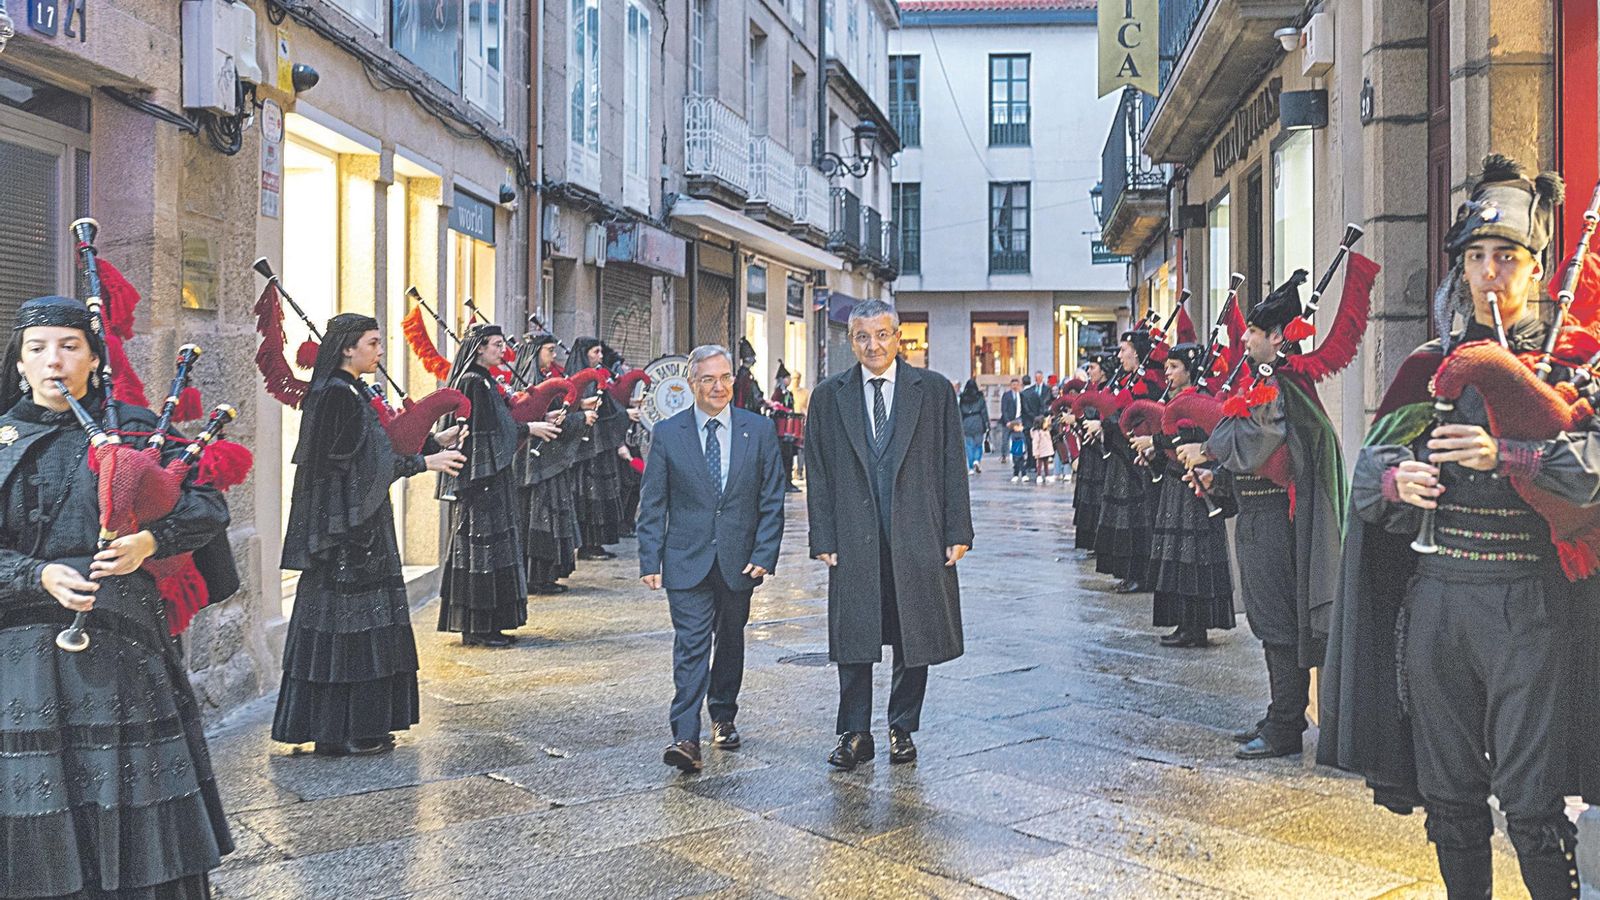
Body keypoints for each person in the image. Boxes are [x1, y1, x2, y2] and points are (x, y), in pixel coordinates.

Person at [1323, 154, 1598, 898]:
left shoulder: (1572, 369)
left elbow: (1592, 477)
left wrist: (1505, 450)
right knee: (1449, 801)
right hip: (1438, 600)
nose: (1487, 274)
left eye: (1504, 258)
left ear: (1536, 268)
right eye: (1474, 258)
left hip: (1529, 606)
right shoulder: (1427, 366)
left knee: (1534, 806)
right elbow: (1364, 481)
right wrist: (1393, 479)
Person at [0, 295, 235, 897]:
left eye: (69, 345)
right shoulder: (2, 439)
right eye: (38, 348)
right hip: (19, 662)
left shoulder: (134, 429)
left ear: (94, 358)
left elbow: (207, 505)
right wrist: (38, 576)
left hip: (124, 653)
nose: (54, 360)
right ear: (19, 364)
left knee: (129, 798)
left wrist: (149, 542)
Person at [1177, 271, 1349, 761]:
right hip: (1256, 514)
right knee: (1268, 619)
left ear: (1278, 336)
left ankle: (1286, 725)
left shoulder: (1284, 385)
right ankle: (1280, 713)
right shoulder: (1262, 382)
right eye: (1248, 330)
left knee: (1279, 623)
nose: (1246, 338)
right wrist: (1220, 480)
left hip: (1279, 522)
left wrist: (1208, 448)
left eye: (1254, 331)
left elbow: (1259, 445)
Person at [275, 314, 465, 756]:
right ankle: (339, 731)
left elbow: (377, 445)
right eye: (373, 343)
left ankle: (357, 726)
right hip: (346, 534)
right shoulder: (335, 397)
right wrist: (424, 464)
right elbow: (361, 466)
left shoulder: (349, 391)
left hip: (359, 524)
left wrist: (433, 442)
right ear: (347, 347)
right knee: (347, 626)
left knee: (360, 627)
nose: (380, 351)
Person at [805, 299, 974, 770]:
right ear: (851, 340)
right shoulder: (828, 396)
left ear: (899, 338)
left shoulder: (934, 391)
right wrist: (823, 535)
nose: (873, 345)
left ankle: (902, 727)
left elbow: (950, 464)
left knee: (913, 633)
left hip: (919, 531)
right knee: (854, 637)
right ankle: (855, 732)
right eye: (863, 336)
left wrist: (959, 528)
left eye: (882, 335)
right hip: (854, 536)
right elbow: (816, 469)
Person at [637, 344, 785, 773]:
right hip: (685, 558)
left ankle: (723, 714)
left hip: (739, 560)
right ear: (690, 385)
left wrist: (765, 552)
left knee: (731, 640)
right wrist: (650, 559)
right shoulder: (669, 433)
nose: (718, 387)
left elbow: (771, 498)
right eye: (708, 379)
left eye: (724, 378)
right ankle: (685, 736)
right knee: (690, 645)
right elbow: (653, 502)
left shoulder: (758, 431)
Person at [1132, 342, 1235, 649]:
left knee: (1194, 558)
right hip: (1176, 488)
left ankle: (1196, 626)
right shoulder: (1176, 399)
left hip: (1195, 489)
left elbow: (1192, 438)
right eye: (1168, 366)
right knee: (1178, 558)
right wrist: (1154, 453)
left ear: (1191, 371)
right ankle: (1183, 622)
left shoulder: (1200, 402)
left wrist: (1156, 439)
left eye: (1175, 367)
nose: (1168, 372)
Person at [437, 323, 530, 647]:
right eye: (495, 344)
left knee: (495, 550)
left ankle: (491, 623)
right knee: (480, 552)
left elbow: (501, 424)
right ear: (478, 348)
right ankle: (476, 627)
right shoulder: (472, 382)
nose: (500, 350)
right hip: (480, 479)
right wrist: (528, 428)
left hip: (494, 474)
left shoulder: (488, 380)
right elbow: (485, 433)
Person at [1085, 332, 1164, 593]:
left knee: (1136, 518)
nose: (1119, 356)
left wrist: (1105, 425)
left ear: (1138, 352)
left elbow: (1136, 416)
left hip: (1138, 459)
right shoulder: (1130, 380)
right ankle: (1128, 571)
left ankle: (1140, 574)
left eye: (1124, 350)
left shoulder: (1150, 382)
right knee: (1124, 516)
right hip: (1123, 457)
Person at [514, 333, 579, 595]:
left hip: (549, 460)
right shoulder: (527, 384)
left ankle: (545, 575)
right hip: (532, 463)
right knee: (536, 518)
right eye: (549, 350)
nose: (554, 356)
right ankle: (535, 578)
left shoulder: (544, 380)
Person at [1070, 357, 1111, 557]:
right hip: (1090, 452)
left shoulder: (1107, 390)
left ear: (1103, 371)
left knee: (1098, 498)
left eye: (1093, 367)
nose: (1090, 371)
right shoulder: (1091, 389)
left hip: (1100, 454)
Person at [771, 362, 803, 492]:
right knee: (784, 456)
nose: (789, 380)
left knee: (789, 456)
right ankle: (783, 482)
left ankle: (788, 480)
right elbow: (775, 405)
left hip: (790, 429)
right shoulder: (778, 392)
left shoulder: (788, 393)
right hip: (781, 429)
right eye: (787, 378)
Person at [958, 378, 988, 474]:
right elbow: (984, 412)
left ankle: (971, 467)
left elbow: (960, 412)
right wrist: (986, 424)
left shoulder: (962, 398)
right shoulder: (980, 397)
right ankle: (976, 460)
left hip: (966, 421)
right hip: (978, 420)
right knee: (978, 444)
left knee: (969, 445)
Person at [998, 377, 1023, 467]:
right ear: (1010, 385)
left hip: (1018, 419)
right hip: (1008, 420)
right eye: (1013, 385)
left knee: (1017, 438)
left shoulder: (1021, 395)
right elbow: (1004, 409)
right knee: (1005, 439)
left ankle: (1017, 455)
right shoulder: (1006, 395)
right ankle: (1004, 455)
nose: (1015, 386)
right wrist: (1007, 421)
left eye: (1016, 385)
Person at [1030, 416, 1053, 484]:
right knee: (1039, 464)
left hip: (1046, 451)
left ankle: (1047, 475)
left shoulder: (1046, 430)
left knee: (1046, 464)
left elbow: (1049, 425)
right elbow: (1035, 443)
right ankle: (1039, 475)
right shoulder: (1038, 433)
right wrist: (1036, 452)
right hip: (1040, 451)